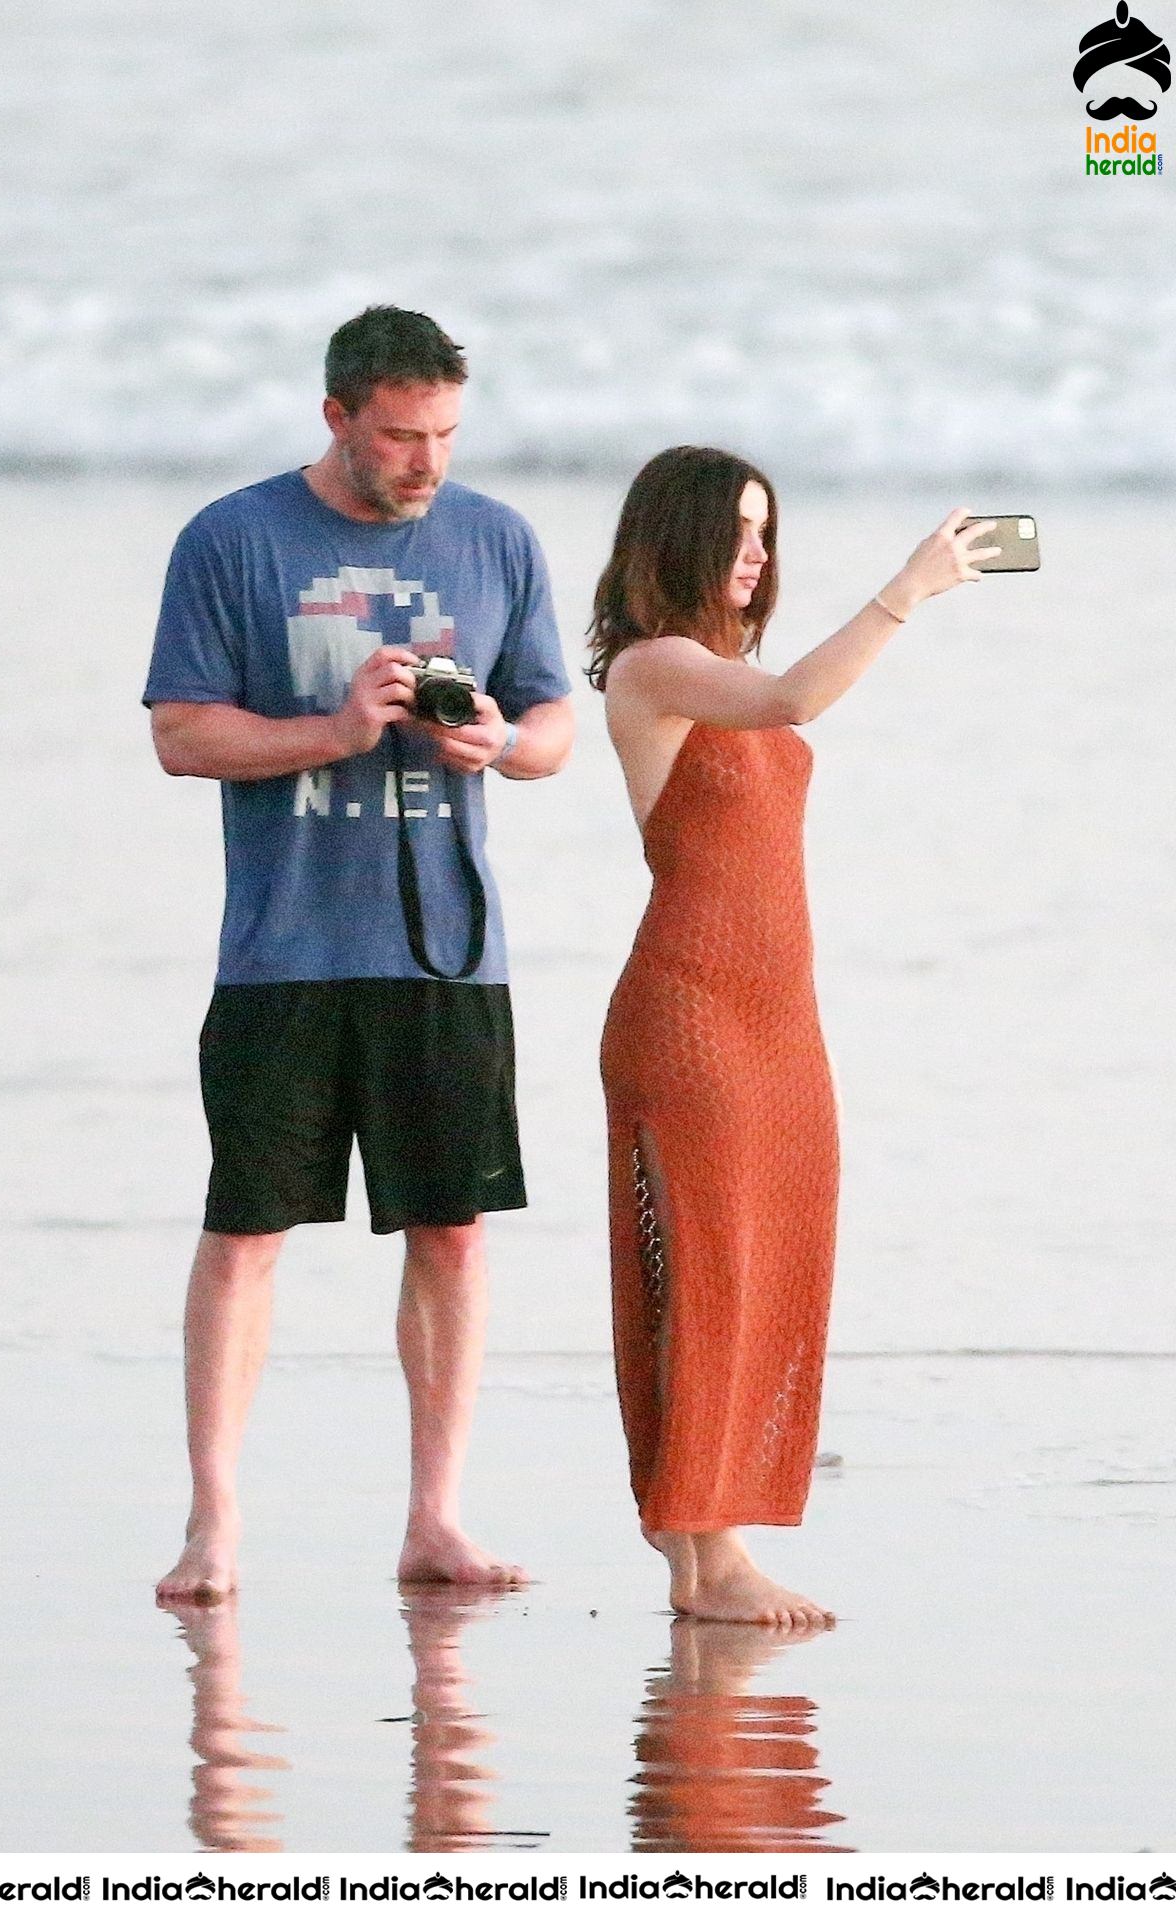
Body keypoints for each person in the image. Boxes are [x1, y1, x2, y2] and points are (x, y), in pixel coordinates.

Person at [145, 306, 575, 1603]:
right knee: (248, 1231)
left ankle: (436, 1518)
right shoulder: (232, 539)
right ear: (336, 416)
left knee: (450, 1233)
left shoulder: (498, 538)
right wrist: (333, 731)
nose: (426, 461)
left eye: (445, 432)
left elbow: (556, 727)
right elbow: (179, 733)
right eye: (399, 435)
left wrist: (497, 740)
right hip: (282, 951)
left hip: (448, 954)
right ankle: (214, 1524)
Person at [590, 447, 997, 1627]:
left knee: (770, 1265)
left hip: (779, 1020)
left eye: (766, 528)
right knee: (705, 1271)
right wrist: (902, 592)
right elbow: (791, 705)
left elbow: (776, 695)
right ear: (675, 540)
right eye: (734, 529)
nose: (757, 551)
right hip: (690, 1012)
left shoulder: (721, 668)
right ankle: (699, 1557)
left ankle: (713, 1544)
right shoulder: (654, 668)